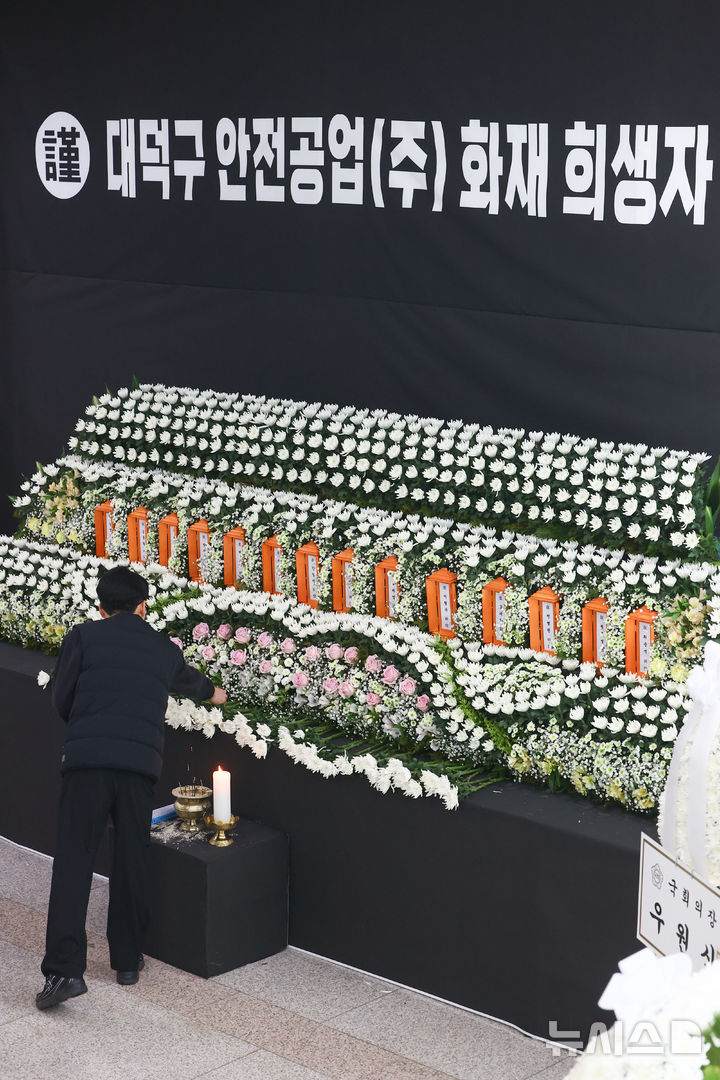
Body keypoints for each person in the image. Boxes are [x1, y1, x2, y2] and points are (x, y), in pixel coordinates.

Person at [36, 566, 226, 1010]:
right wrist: (217, 694)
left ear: (100, 606)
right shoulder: (161, 648)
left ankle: (64, 971)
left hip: (87, 764)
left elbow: (61, 698)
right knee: (130, 859)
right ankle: (126, 961)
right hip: (138, 768)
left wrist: (87, 727)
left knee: (74, 862)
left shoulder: (83, 636)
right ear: (143, 606)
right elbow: (196, 685)